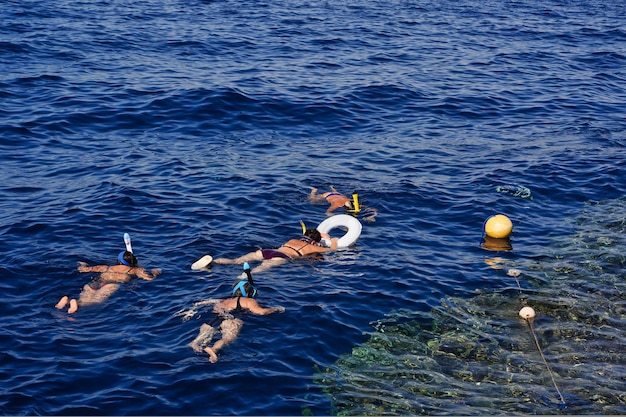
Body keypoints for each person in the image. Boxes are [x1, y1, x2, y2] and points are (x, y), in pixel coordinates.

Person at [186, 266, 285, 363]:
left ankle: (194, 343)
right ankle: (214, 350)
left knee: (202, 337)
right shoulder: (248, 301)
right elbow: (261, 312)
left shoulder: (225, 300)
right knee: (227, 339)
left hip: (212, 320)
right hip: (231, 321)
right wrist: (276, 309)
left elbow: (209, 302)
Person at [55, 250, 162, 314]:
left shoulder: (106, 267)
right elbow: (149, 278)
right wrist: (155, 272)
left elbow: (84, 270)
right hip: (110, 285)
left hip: (94, 283)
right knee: (93, 302)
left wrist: (83, 264)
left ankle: (69, 301)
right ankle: (73, 303)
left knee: (84, 298)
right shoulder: (135, 270)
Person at [211, 228, 339, 274]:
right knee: (255, 271)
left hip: (267, 251)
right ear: (315, 241)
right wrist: (332, 239)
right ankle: (242, 278)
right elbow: (332, 250)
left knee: (236, 261)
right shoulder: (312, 247)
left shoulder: (293, 239)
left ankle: (214, 261)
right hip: (281, 256)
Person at [309, 186, 378, 223]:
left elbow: (328, 213)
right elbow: (328, 212)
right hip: (327, 195)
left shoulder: (348, 202)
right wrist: (372, 216)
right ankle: (313, 191)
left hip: (337, 195)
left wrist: (371, 216)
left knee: (313, 199)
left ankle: (332, 188)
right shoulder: (337, 204)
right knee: (313, 199)